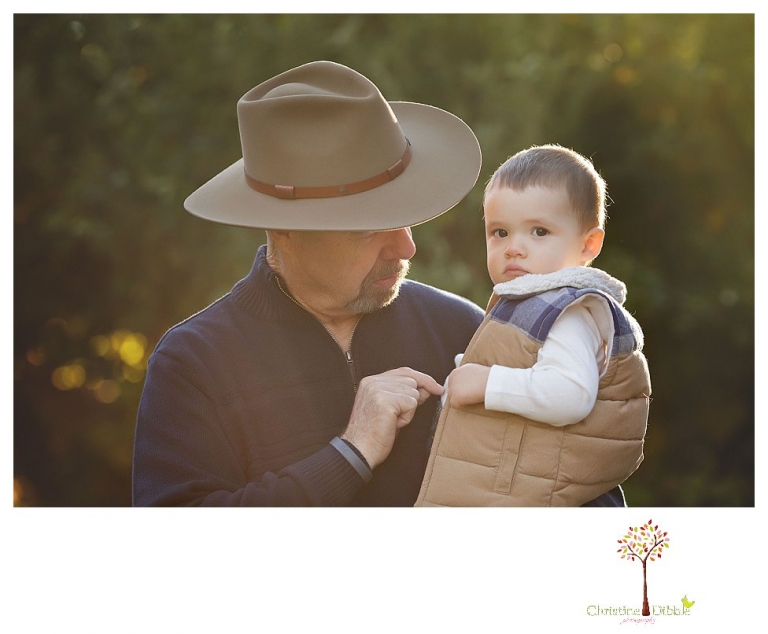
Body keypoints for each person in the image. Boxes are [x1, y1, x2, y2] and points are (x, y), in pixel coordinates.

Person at [132, 62, 625, 506]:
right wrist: (350, 453)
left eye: (406, 219)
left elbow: (583, 491)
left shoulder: (465, 329)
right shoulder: (193, 364)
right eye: (372, 229)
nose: (407, 248)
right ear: (284, 228)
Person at [416, 144, 651, 506]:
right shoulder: (531, 303)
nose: (514, 248)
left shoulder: (569, 312)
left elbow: (570, 394)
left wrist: (486, 382)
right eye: (500, 233)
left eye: (539, 232)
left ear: (589, 244)